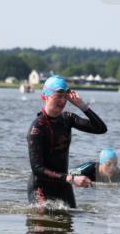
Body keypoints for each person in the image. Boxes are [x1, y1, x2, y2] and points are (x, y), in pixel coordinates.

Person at [27, 75, 108, 208]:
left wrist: (82, 106)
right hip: (40, 187)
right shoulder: (37, 128)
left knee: (69, 223)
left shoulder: (67, 119)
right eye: (58, 96)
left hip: (63, 184)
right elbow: (37, 169)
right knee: (43, 225)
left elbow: (101, 129)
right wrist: (71, 178)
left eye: (65, 96)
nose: (62, 100)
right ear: (45, 96)